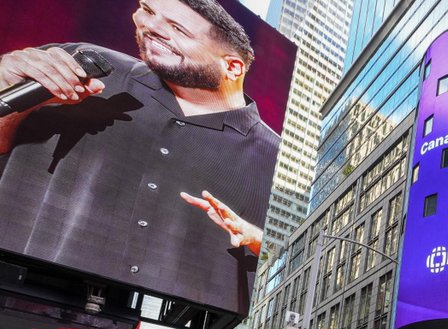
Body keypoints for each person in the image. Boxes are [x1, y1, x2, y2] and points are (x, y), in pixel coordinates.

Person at [0, 0, 280, 311]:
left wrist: (259, 240)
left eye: (177, 29)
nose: (150, 26)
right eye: (148, 10)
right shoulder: (78, 65)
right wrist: (6, 90)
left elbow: (284, 264)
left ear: (232, 67)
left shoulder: (273, 157)